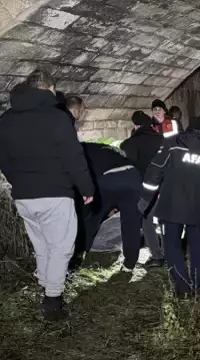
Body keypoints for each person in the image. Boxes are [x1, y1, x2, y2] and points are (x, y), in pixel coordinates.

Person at [0, 69, 94, 320]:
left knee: (41, 243)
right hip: (55, 193)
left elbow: (4, 159)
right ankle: (52, 301)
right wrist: (86, 188)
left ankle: (44, 284)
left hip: (24, 196)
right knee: (61, 247)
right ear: (50, 89)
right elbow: (73, 156)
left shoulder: (6, 119)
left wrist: (18, 182)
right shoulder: (57, 117)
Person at [137, 116, 200, 299]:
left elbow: (155, 170)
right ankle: (199, 288)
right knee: (197, 248)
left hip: (171, 207)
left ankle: (183, 288)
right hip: (199, 210)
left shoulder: (172, 144)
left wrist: (144, 201)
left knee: (171, 248)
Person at [76, 142, 142, 272]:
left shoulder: (79, 150)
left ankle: (79, 254)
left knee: (91, 217)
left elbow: (85, 177)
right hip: (133, 176)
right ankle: (129, 264)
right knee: (131, 223)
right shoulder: (106, 148)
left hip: (109, 178)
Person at [120, 111, 165, 267]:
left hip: (146, 189)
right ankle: (169, 254)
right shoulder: (162, 140)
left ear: (136, 125)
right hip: (166, 186)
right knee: (165, 221)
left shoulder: (131, 143)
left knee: (145, 220)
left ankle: (157, 256)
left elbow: (127, 162)